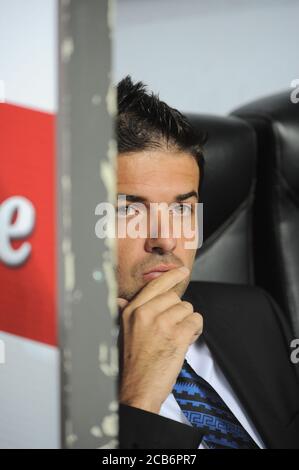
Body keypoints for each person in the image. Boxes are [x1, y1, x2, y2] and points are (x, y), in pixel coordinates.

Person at [116, 76, 299, 449]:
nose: (165, 239)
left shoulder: (254, 312)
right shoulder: (30, 374)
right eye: (129, 209)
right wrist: (139, 400)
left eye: (182, 208)